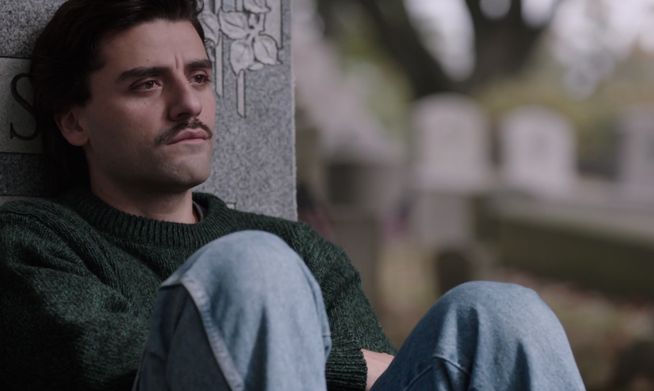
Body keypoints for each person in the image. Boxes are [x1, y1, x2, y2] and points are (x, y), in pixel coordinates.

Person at [0, 0, 587, 390]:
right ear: (74, 122)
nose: (189, 105)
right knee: (252, 269)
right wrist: (341, 361)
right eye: (147, 84)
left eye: (200, 78)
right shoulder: (33, 243)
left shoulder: (298, 244)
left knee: (503, 314)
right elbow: (109, 362)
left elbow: (387, 380)